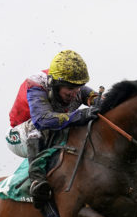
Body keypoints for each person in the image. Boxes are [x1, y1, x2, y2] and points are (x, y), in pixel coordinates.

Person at [7, 50, 100, 207]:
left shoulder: (74, 85)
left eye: (78, 88)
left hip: (50, 128)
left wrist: (100, 101)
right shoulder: (36, 83)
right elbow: (42, 120)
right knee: (37, 128)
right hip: (19, 134)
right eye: (69, 89)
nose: (74, 93)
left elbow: (94, 98)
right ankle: (37, 181)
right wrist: (81, 115)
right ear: (55, 84)